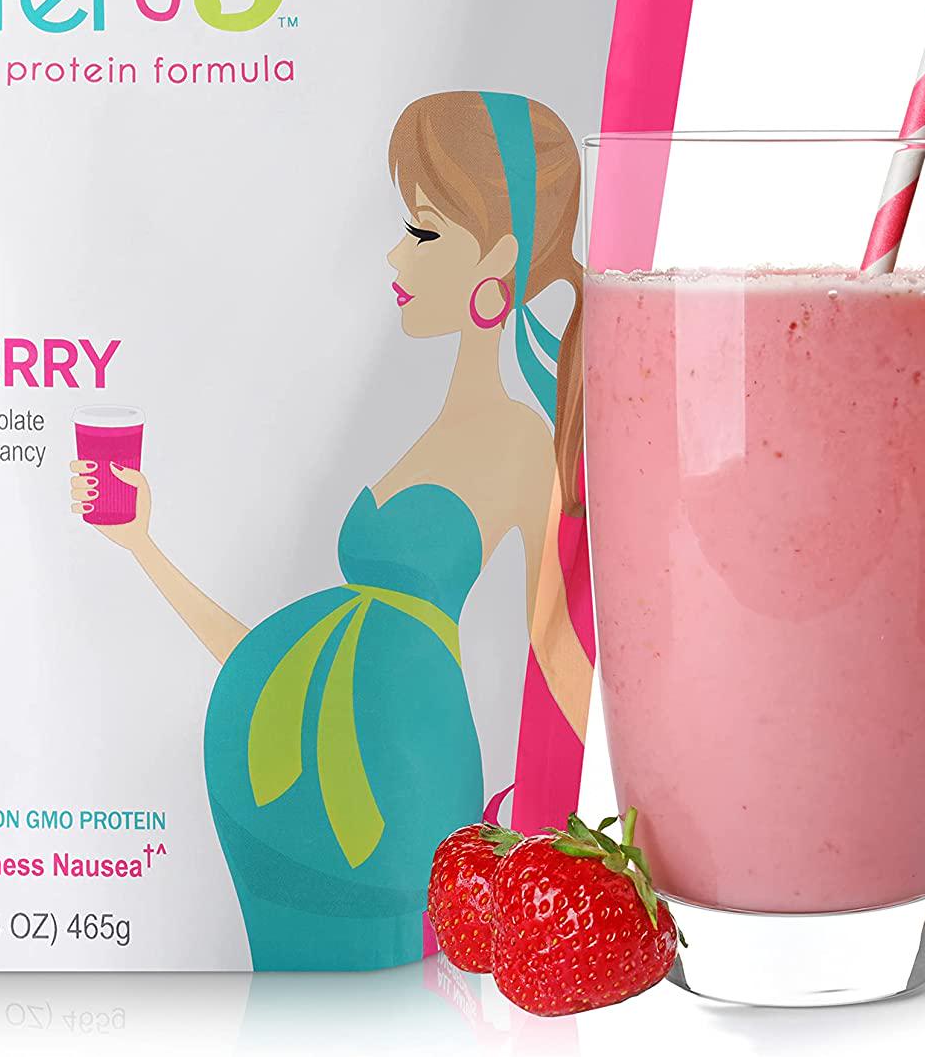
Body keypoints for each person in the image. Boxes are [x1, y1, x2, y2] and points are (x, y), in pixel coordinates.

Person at [71, 91, 591, 969]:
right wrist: (143, 547)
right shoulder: (426, 435)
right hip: (266, 805)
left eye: (422, 232)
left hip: (398, 794)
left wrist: (588, 832)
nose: (393, 254)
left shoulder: (515, 438)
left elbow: (558, 649)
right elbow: (283, 657)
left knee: (395, 993)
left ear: (497, 257)